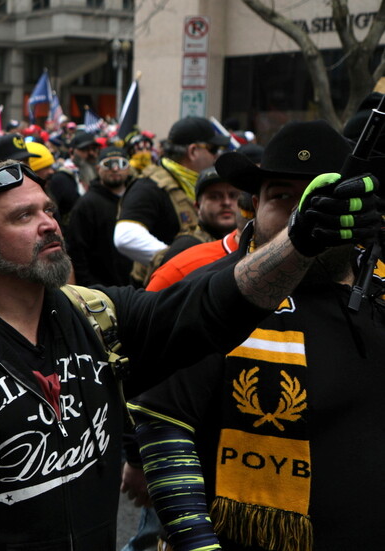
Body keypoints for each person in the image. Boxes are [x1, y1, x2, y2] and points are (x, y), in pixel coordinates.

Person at [0, 153, 378, 550]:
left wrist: (299, 241)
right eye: (22, 217)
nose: (48, 224)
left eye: (49, 210)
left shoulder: (98, 315)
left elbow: (210, 307)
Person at [128, 120, 385, 550]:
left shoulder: (380, 289)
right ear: (253, 205)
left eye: (321, 196)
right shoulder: (212, 295)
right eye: (283, 196)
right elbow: (166, 430)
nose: (303, 211)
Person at [115, 116, 230, 283]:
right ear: (193, 151)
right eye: (213, 149)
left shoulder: (192, 183)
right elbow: (125, 236)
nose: (216, 157)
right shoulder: (149, 186)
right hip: (161, 291)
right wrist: (180, 262)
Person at [67, 146, 134, 287]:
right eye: (108, 164)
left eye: (121, 164)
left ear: (128, 168)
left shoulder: (138, 199)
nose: (115, 169)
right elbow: (76, 253)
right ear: (98, 169)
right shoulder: (85, 205)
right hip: (103, 290)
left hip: (138, 287)